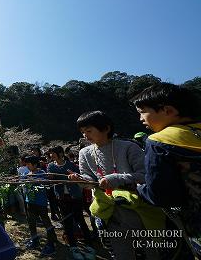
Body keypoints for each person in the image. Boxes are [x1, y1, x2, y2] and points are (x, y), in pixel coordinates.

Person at [68, 110, 162, 260]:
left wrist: (116, 178)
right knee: (120, 252)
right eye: (82, 132)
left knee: (151, 252)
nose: (85, 135)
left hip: (138, 209)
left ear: (106, 128)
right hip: (108, 210)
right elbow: (90, 180)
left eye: (89, 130)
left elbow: (146, 176)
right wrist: (81, 181)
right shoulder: (84, 153)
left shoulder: (128, 147)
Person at [132, 83, 201, 257]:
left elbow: (161, 195)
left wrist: (139, 189)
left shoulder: (159, 141)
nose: (141, 119)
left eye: (142, 112)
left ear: (168, 111)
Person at [46, 146, 93, 258]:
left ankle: (89, 244)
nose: (51, 156)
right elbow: (51, 180)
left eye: (53, 153)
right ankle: (73, 246)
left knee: (80, 219)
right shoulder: (51, 166)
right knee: (67, 221)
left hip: (75, 197)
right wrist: (50, 178)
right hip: (62, 198)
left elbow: (80, 179)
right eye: (50, 154)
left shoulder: (71, 165)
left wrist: (76, 177)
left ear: (60, 153)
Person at [23, 155, 58, 255]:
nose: (27, 166)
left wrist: (36, 180)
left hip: (40, 202)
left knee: (46, 222)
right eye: (26, 164)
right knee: (31, 222)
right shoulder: (27, 173)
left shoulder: (42, 173)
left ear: (34, 164)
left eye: (29, 164)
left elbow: (45, 184)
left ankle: (51, 243)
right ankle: (35, 240)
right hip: (30, 201)